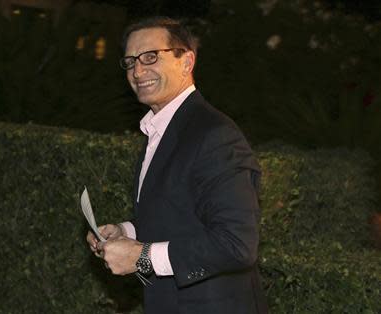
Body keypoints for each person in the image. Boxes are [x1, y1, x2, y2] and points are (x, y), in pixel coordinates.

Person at [86, 16, 268, 314]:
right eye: (130, 61)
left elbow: (237, 245)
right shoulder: (160, 128)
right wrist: (126, 232)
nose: (138, 70)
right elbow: (179, 215)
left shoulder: (215, 134)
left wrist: (141, 257)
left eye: (150, 57)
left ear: (187, 61)